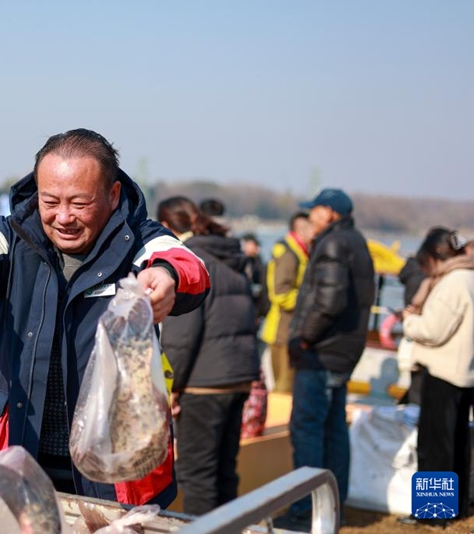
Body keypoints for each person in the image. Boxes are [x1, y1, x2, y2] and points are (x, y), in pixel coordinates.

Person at [0, 128, 210, 506]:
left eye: (79, 203)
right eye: (50, 201)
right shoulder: (15, 237)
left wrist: (167, 278)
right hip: (20, 455)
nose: (63, 217)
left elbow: (188, 265)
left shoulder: (142, 241)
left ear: (113, 195)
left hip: (118, 467)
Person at [275, 188, 375, 530]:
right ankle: (332, 507)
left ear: (330, 212)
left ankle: (304, 511)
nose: (309, 218)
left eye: (314, 211)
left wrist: (304, 337)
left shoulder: (333, 243)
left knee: (307, 430)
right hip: (343, 351)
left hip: (322, 352)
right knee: (333, 431)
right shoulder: (355, 241)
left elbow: (329, 301)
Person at [157, 197, 258, 514]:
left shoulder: (190, 260)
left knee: (197, 474)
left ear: (165, 227)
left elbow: (182, 337)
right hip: (239, 376)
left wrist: (168, 387)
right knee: (225, 470)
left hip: (204, 382)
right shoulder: (232, 256)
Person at [399, 228, 474, 523]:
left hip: (442, 373)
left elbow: (432, 330)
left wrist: (409, 322)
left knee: (433, 445)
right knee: (456, 443)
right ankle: (456, 506)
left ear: (436, 256)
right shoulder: (469, 278)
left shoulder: (452, 283)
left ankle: (432, 512)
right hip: (464, 373)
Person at [260, 212, 313, 393]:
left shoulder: (300, 252)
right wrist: (310, 299)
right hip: (283, 331)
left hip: (289, 330)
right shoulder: (289, 254)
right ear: (302, 229)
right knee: (284, 387)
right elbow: (280, 294)